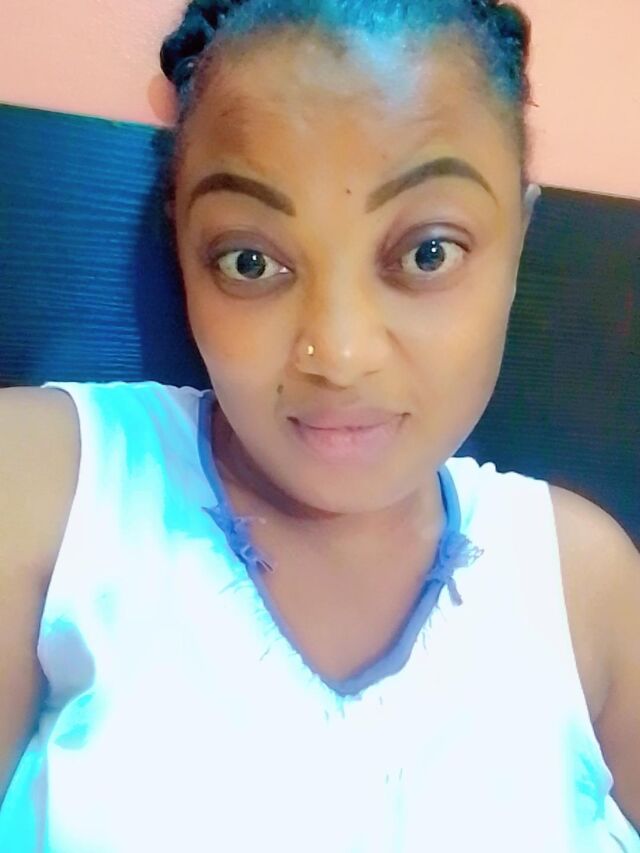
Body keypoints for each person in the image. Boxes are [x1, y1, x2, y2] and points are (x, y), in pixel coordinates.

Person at [0, 0, 638, 849]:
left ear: (517, 242)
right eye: (250, 261)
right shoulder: (49, 489)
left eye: (427, 253)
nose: (337, 353)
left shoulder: (584, 585)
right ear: (182, 246)